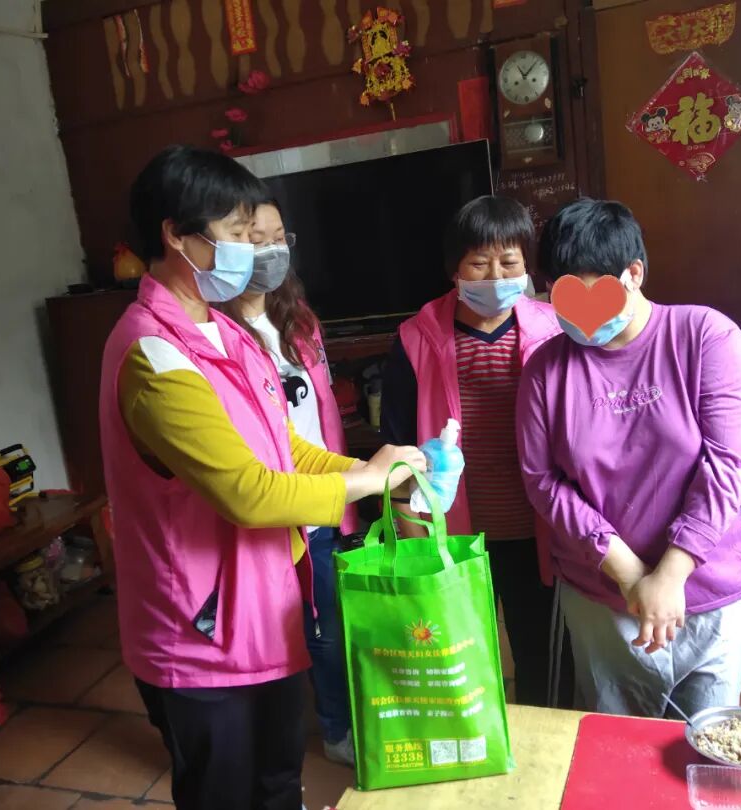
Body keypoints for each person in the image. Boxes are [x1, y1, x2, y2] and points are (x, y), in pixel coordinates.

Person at [99, 145, 424, 810]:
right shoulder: (152, 355)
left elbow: (285, 449)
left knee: (279, 785)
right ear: (177, 235)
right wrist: (367, 483)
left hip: (266, 612)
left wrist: (378, 471)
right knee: (226, 795)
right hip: (199, 635)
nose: (254, 251)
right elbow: (248, 492)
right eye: (239, 234)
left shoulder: (229, 334)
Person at [516, 198, 741, 719]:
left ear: (633, 274)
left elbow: (729, 466)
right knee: (615, 745)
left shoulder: (706, 337)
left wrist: (670, 575)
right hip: (603, 601)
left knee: (708, 745)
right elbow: (543, 481)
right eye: (560, 296)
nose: (573, 314)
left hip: (707, 595)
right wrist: (629, 574)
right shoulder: (545, 369)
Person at [380, 195, 567, 707]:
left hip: (537, 528)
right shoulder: (415, 339)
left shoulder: (554, 330)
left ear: (527, 266)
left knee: (543, 657)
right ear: (454, 269)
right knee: (462, 653)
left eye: (509, 261)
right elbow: (397, 443)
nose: (496, 276)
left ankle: (537, 740)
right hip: (452, 532)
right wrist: (411, 526)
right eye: (480, 263)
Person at [216, 199, 358, 766]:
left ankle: (338, 723)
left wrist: (353, 482)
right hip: (270, 506)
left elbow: (317, 420)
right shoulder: (218, 335)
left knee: (329, 622)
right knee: (292, 626)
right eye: (255, 240)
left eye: (279, 239)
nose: (271, 252)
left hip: (322, 495)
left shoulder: (298, 321)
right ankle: (311, 732)